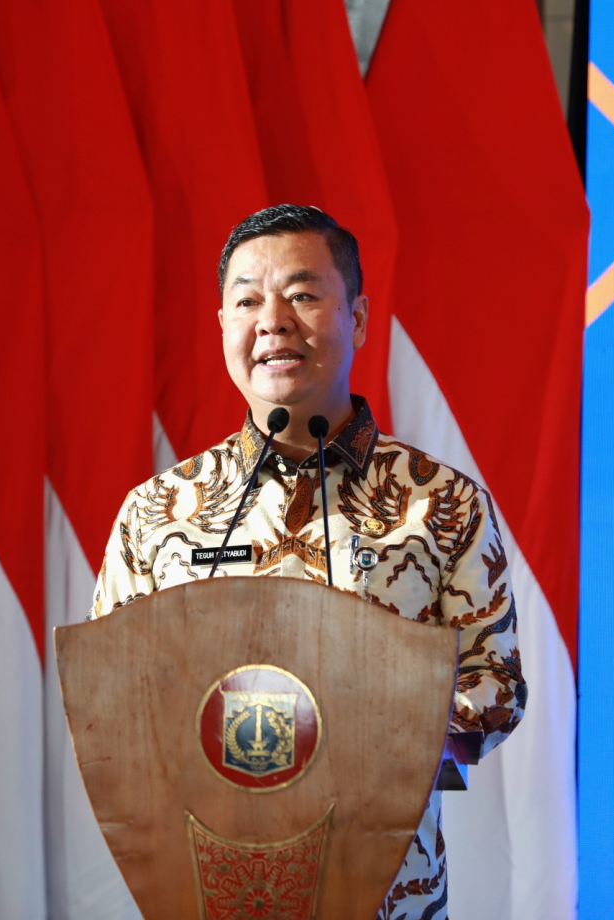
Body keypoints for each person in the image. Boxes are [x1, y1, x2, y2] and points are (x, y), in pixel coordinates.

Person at [91, 204, 525, 920]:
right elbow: (110, 702)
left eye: (301, 294)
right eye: (247, 302)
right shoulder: (157, 511)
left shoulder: (440, 502)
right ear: (222, 326)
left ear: (357, 317)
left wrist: (351, 727)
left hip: (385, 894)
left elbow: (496, 689)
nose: (273, 321)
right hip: (208, 891)